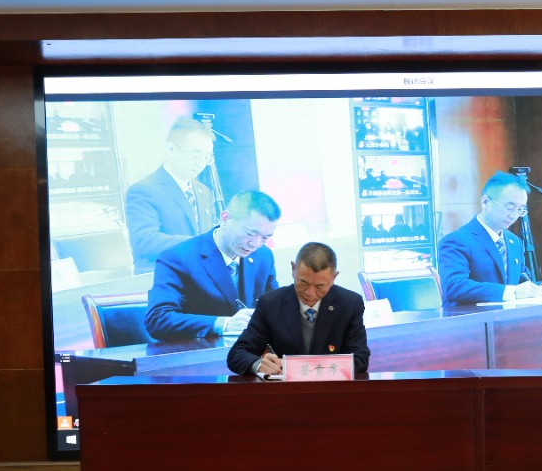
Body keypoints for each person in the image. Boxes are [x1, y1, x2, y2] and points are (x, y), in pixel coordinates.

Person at [144, 190, 281, 342]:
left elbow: (275, 306)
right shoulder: (177, 258)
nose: (255, 244)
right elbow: (157, 319)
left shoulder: (263, 256)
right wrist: (223, 324)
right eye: (249, 233)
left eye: (265, 238)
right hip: (200, 351)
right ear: (225, 219)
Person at [227, 242, 370, 376]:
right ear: (293, 269)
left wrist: (307, 368)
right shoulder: (271, 304)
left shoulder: (349, 304)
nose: (310, 293)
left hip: (331, 389)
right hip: (286, 390)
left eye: (319, 287)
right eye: (303, 283)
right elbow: (237, 353)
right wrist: (258, 365)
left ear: (334, 277)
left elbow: (360, 360)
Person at [437, 171, 542, 305]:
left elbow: (521, 281)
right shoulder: (457, 241)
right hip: (471, 317)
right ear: (485, 202)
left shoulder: (514, 242)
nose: (514, 215)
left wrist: (541, 288)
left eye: (520, 210)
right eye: (510, 207)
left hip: (509, 316)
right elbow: (454, 286)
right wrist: (511, 292)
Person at [125, 116, 217, 273]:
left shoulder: (203, 191)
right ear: (171, 149)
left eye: (206, 157)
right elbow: (144, 241)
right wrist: (199, 243)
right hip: (164, 277)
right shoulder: (144, 190)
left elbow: (210, 234)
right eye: (196, 155)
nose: (201, 163)